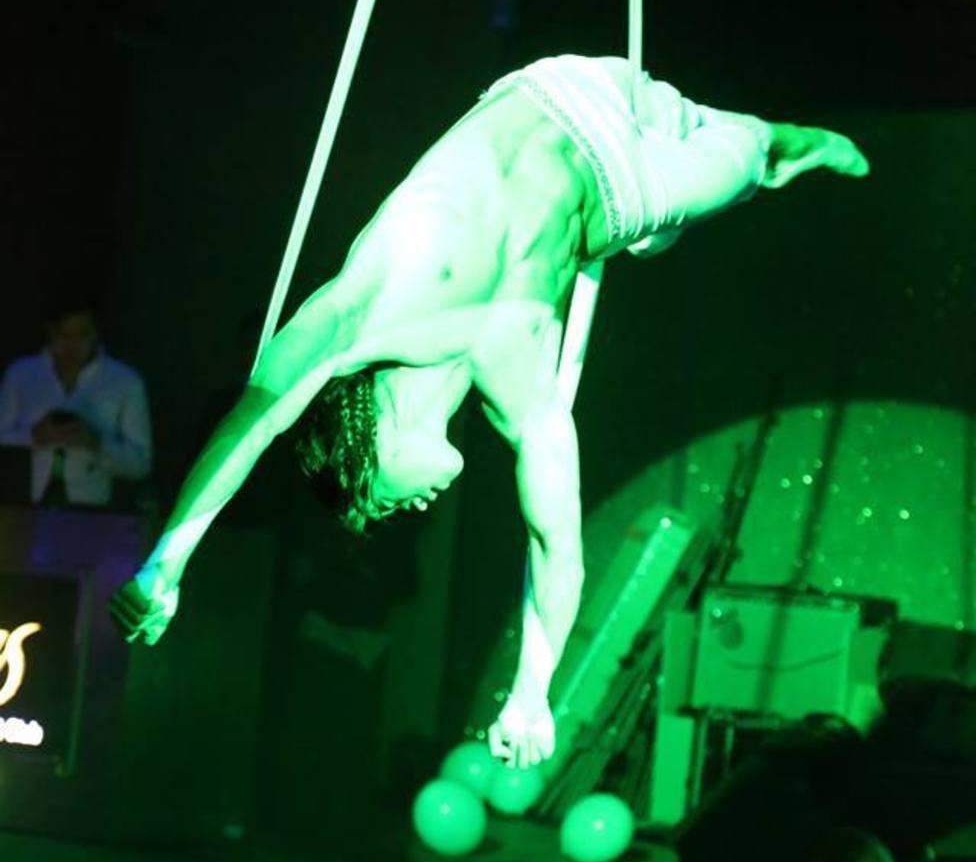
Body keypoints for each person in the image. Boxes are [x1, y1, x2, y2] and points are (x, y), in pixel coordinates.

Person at [109, 54, 869, 766]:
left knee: (695, 148)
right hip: (623, 189)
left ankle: (717, 158)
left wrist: (165, 563)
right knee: (751, 156)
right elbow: (555, 547)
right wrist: (531, 696)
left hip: (564, 94)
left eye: (384, 505)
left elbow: (257, 417)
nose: (414, 509)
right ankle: (783, 152)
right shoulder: (522, 390)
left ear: (364, 451)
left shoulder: (367, 307)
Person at [0, 295, 152, 508]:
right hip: (23, 502)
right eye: (63, 334)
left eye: (82, 334)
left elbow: (141, 463)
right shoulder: (21, 375)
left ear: (96, 333)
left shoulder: (125, 382)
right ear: (50, 332)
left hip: (94, 506)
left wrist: (95, 442)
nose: (72, 345)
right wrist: (33, 436)